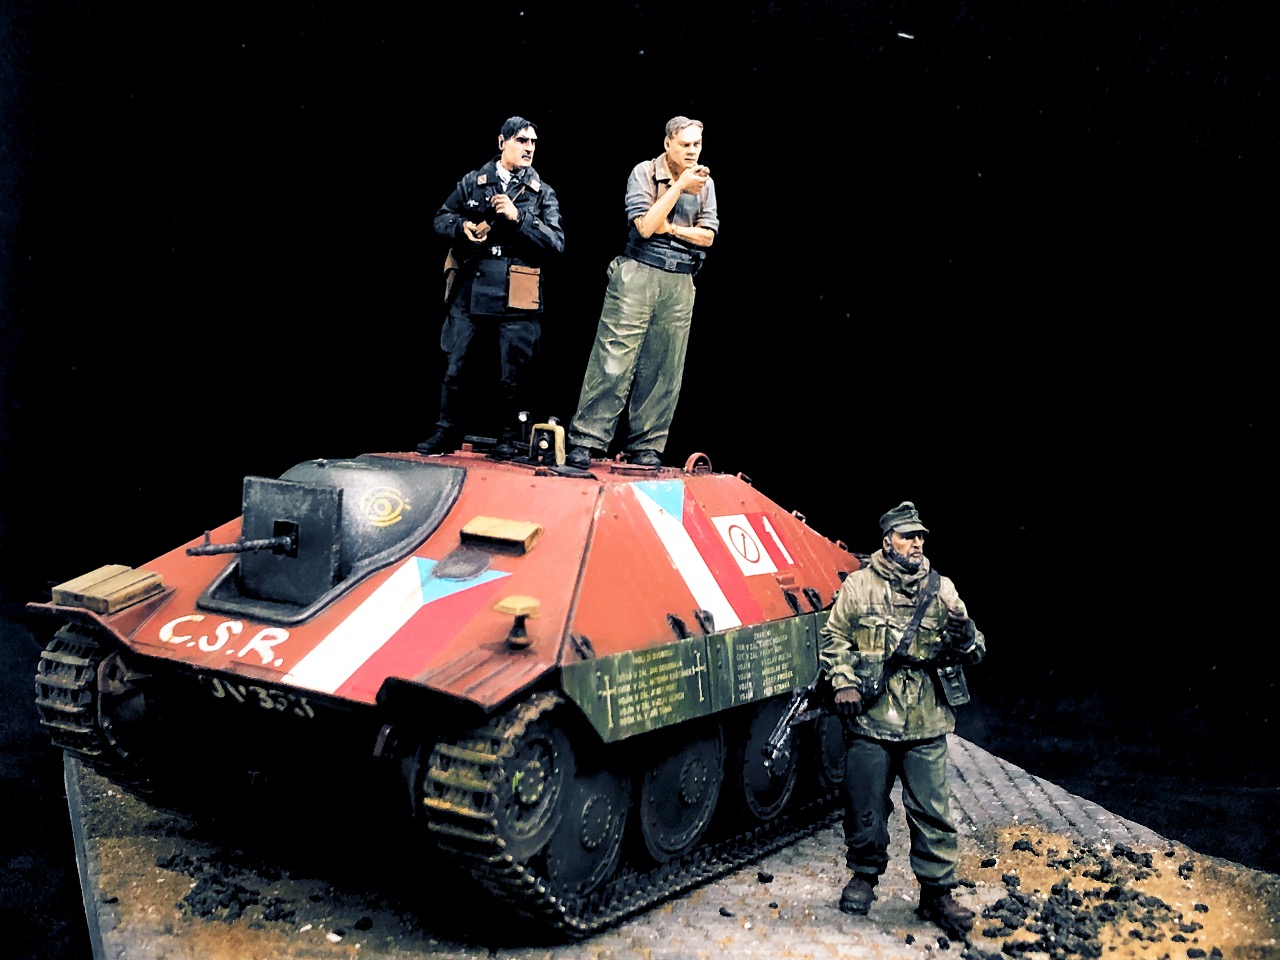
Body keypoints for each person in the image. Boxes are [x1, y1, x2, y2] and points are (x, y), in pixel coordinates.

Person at [818, 501, 985, 939]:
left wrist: (965, 636)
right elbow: (834, 637)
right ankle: (863, 875)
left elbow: (976, 650)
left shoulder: (942, 589)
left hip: (925, 715)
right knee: (864, 804)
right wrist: (843, 682)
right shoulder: (859, 586)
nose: (917, 543)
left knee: (932, 810)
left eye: (920, 536)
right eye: (907, 536)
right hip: (872, 715)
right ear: (887, 541)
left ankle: (937, 892)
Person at [564, 116, 718, 470]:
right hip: (639, 272)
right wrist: (679, 187)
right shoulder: (645, 173)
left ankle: (646, 445)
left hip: (679, 280)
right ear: (668, 143)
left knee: (664, 367)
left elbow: (708, 235)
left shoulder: (706, 183)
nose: (692, 151)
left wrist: (673, 229)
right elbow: (646, 227)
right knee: (613, 358)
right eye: (685, 144)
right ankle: (587, 439)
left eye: (697, 144)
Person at [417, 116, 565, 458]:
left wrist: (520, 218)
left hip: (518, 288)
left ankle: (510, 436)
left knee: (514, 371)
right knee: (457, 365)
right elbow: (441, 217)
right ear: (502, 142)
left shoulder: (541, 192)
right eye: (521, 140)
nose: (529, 148)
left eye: (533, 142)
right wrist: (462, 227)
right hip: (473, 282)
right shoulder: (474, 182)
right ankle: (446, 430)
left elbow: (556, 242)